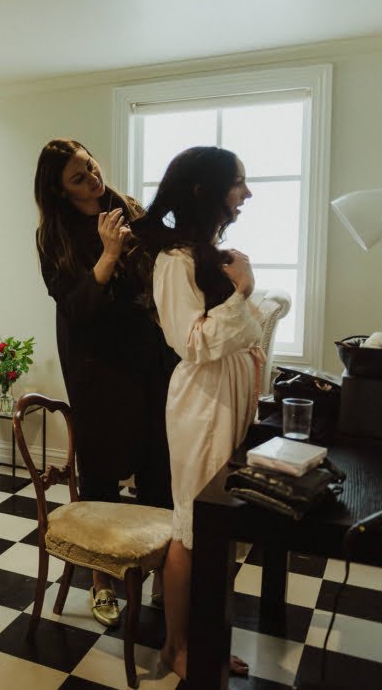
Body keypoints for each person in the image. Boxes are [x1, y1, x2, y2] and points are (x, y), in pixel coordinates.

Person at [33, 138, 176, 627]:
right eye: (79, 177)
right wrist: (109, 253)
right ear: (59, 189)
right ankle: (101, 581)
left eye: (91, 167)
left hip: (149, 359)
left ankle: (162, 576)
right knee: (101, 476)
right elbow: (76, 307)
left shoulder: (128, 208)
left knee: (159, 469)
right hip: (97, 366)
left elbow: (168, 260)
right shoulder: (53, 236)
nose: (93, 179)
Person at [129, 146, 259, 680]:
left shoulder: (206, 254)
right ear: (205, 191)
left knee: (219, 528)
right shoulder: (174, 261)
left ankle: (207, 639)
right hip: (203, 402)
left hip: (227, 395)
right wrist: (244, 291)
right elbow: (192, 341)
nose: (246, 193)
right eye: (238, 183)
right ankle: (177, 646)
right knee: (192, 525)